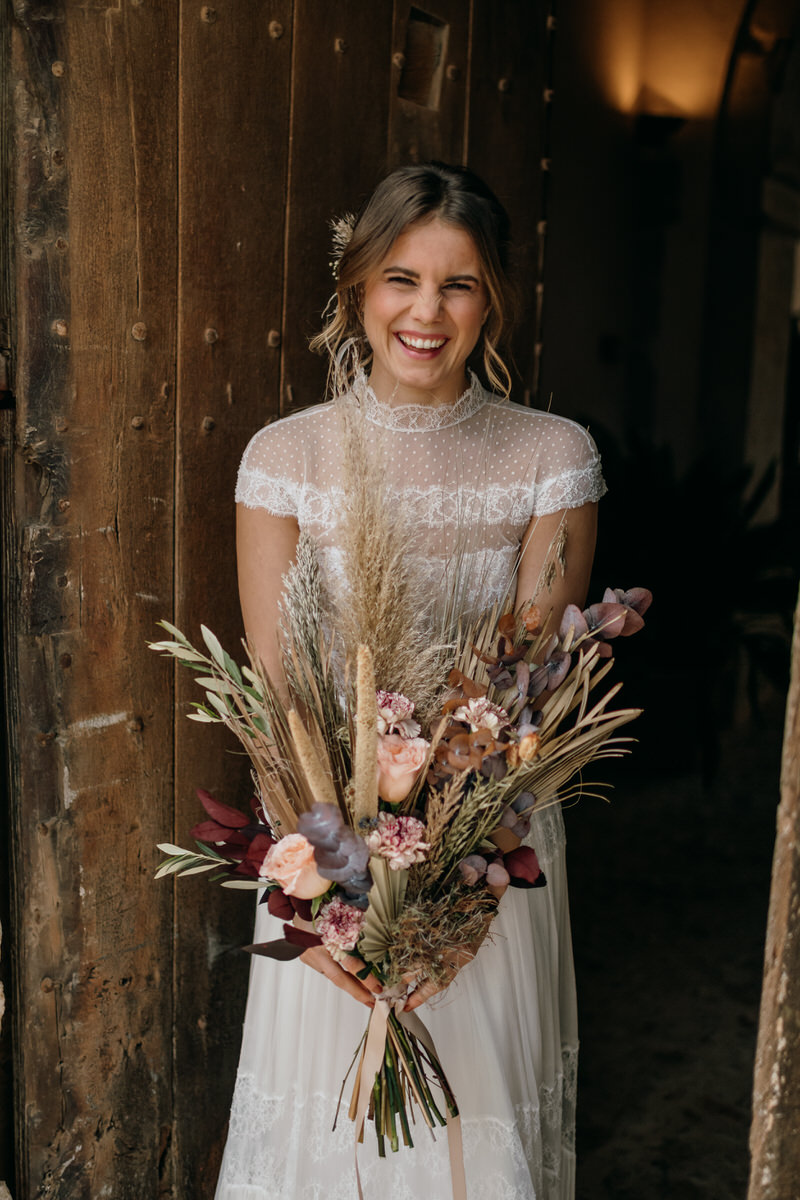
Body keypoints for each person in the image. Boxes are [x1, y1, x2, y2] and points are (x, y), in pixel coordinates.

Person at [216, 162, 605, 1199]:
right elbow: (276, 698)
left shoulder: (549, 457)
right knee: (326, 1144)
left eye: (457, 284)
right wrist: (327, 892)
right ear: (356, 291)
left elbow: (531, 696)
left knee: (472, 1136)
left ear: (492, 302)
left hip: (490, 850)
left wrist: (454, 898)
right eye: (400, 279)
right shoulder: (284, 457)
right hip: (327, 843)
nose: (424, 312)